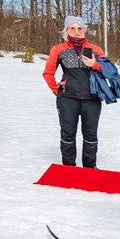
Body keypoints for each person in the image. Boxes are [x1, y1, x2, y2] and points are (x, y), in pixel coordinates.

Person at [44, 17, 106, 168]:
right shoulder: (58, 49)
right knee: (67, 133)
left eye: (80, 28)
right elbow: (47, 73)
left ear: (84, 30)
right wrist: (58, 91)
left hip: (92, 98)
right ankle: (69, 167)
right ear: (66, 30)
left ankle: (90, 167)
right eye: (72, 28)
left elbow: (108, 72)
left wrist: (95, 64)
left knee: (91, 135)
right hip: (68, 99)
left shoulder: (95, 49)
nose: (77, 32)